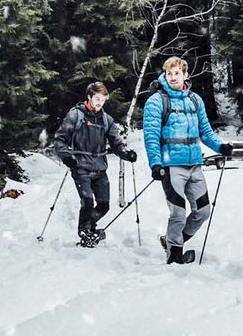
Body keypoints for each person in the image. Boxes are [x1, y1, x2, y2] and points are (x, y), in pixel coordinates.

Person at [142, 57, 231, 264]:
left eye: (177, 73)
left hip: (194, 166)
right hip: (171, 166)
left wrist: (220, 146)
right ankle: (174, 256)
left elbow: (206, 132)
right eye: (169, 74)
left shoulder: (195, 100)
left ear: (185, 75)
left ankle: (174, 241)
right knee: (178, 213)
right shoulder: (156, 101)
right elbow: (151, 136)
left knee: (202, 211)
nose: (173, 78)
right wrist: (155, 163)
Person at [53, 81, 139, 247]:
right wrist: (67, 157)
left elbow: (116, 144)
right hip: (80, 166)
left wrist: (127, 154)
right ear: (89, 97)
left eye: (103, 99)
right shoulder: (75, 115)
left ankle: (90, 228)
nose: (100, 102)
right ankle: (85, 233)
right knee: (87, 201)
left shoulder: (107, 120)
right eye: (97, 98)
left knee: (104, 205)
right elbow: (60, 139)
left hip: (100, 168)